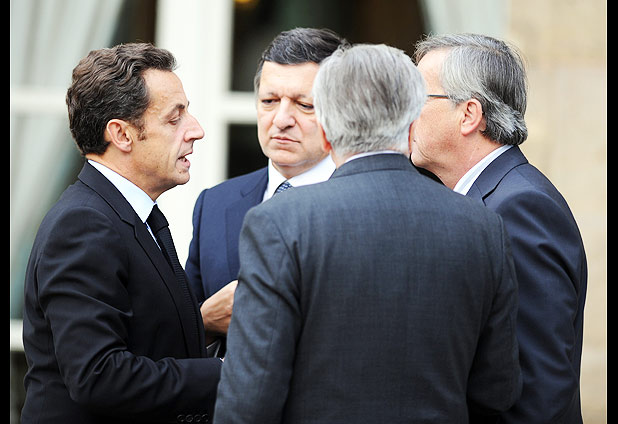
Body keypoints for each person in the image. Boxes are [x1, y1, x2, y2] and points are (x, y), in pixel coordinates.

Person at [213, 43, 522, 424]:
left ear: (326, 133)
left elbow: (250, 401)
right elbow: (498, 390)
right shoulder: (483, 226)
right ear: (412, 126)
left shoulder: (279, 222)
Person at [21, 43, 222, 423]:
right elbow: (99, 376)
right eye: (174, 119)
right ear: (122, 135)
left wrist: (204, 324)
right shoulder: (83, 224)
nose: (196, 130)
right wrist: (229, 373)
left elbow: (143, 337)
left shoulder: (124, 214)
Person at [411, 33, 588, 423]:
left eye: (417, 98)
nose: (405, 112)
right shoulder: (487, 198)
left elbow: (538, 392)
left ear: (469, 115)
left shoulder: (520, 208)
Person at [185, 28, 348, 353]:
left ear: (344, 111)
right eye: (269, 101)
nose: (281, 119)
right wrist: (203, 322)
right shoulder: (215, 204)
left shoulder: (365, 207)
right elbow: (175, 339)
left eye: (305, 104)